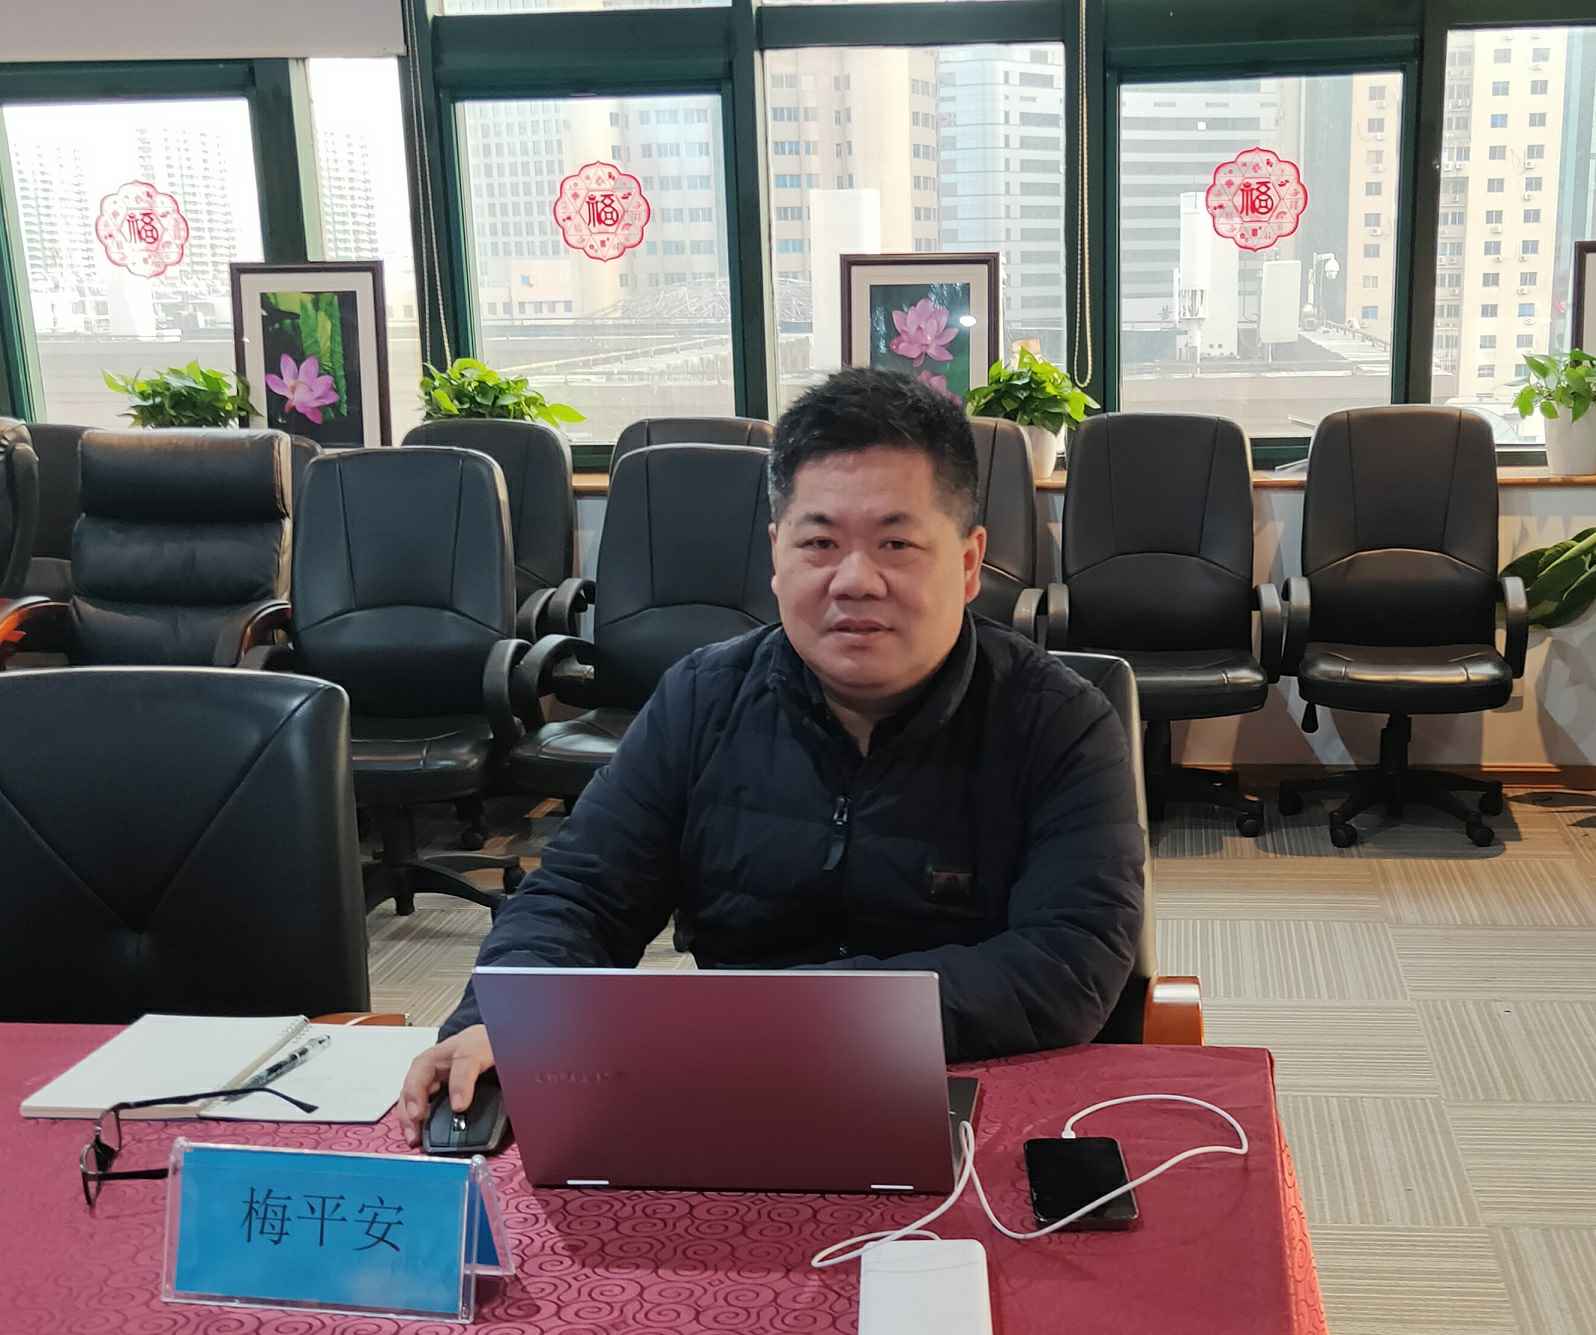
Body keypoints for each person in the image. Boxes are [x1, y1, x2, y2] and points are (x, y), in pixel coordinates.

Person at [398, 368, 1144, 1146]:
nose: (855, 580)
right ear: (775, 559)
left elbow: (1067, 962)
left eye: (896, 543)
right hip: (739, 1103)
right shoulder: (702, 700)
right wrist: (503, 1015)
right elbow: (580, 894)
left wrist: (792, 1014)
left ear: (967, 562)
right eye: (819, 543)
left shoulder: (1058, 721)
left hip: (983, 1102)